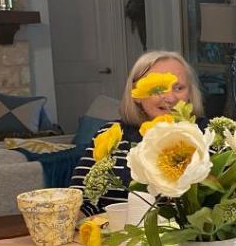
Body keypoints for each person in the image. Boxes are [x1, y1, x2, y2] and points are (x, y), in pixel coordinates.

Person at [70, 51, 203, 216]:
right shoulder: (111, 134)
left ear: (190, 93)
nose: (169, 98)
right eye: (158, 89)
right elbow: (82, 202)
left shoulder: (207, 136)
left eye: (179, 88)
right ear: (136, 94)